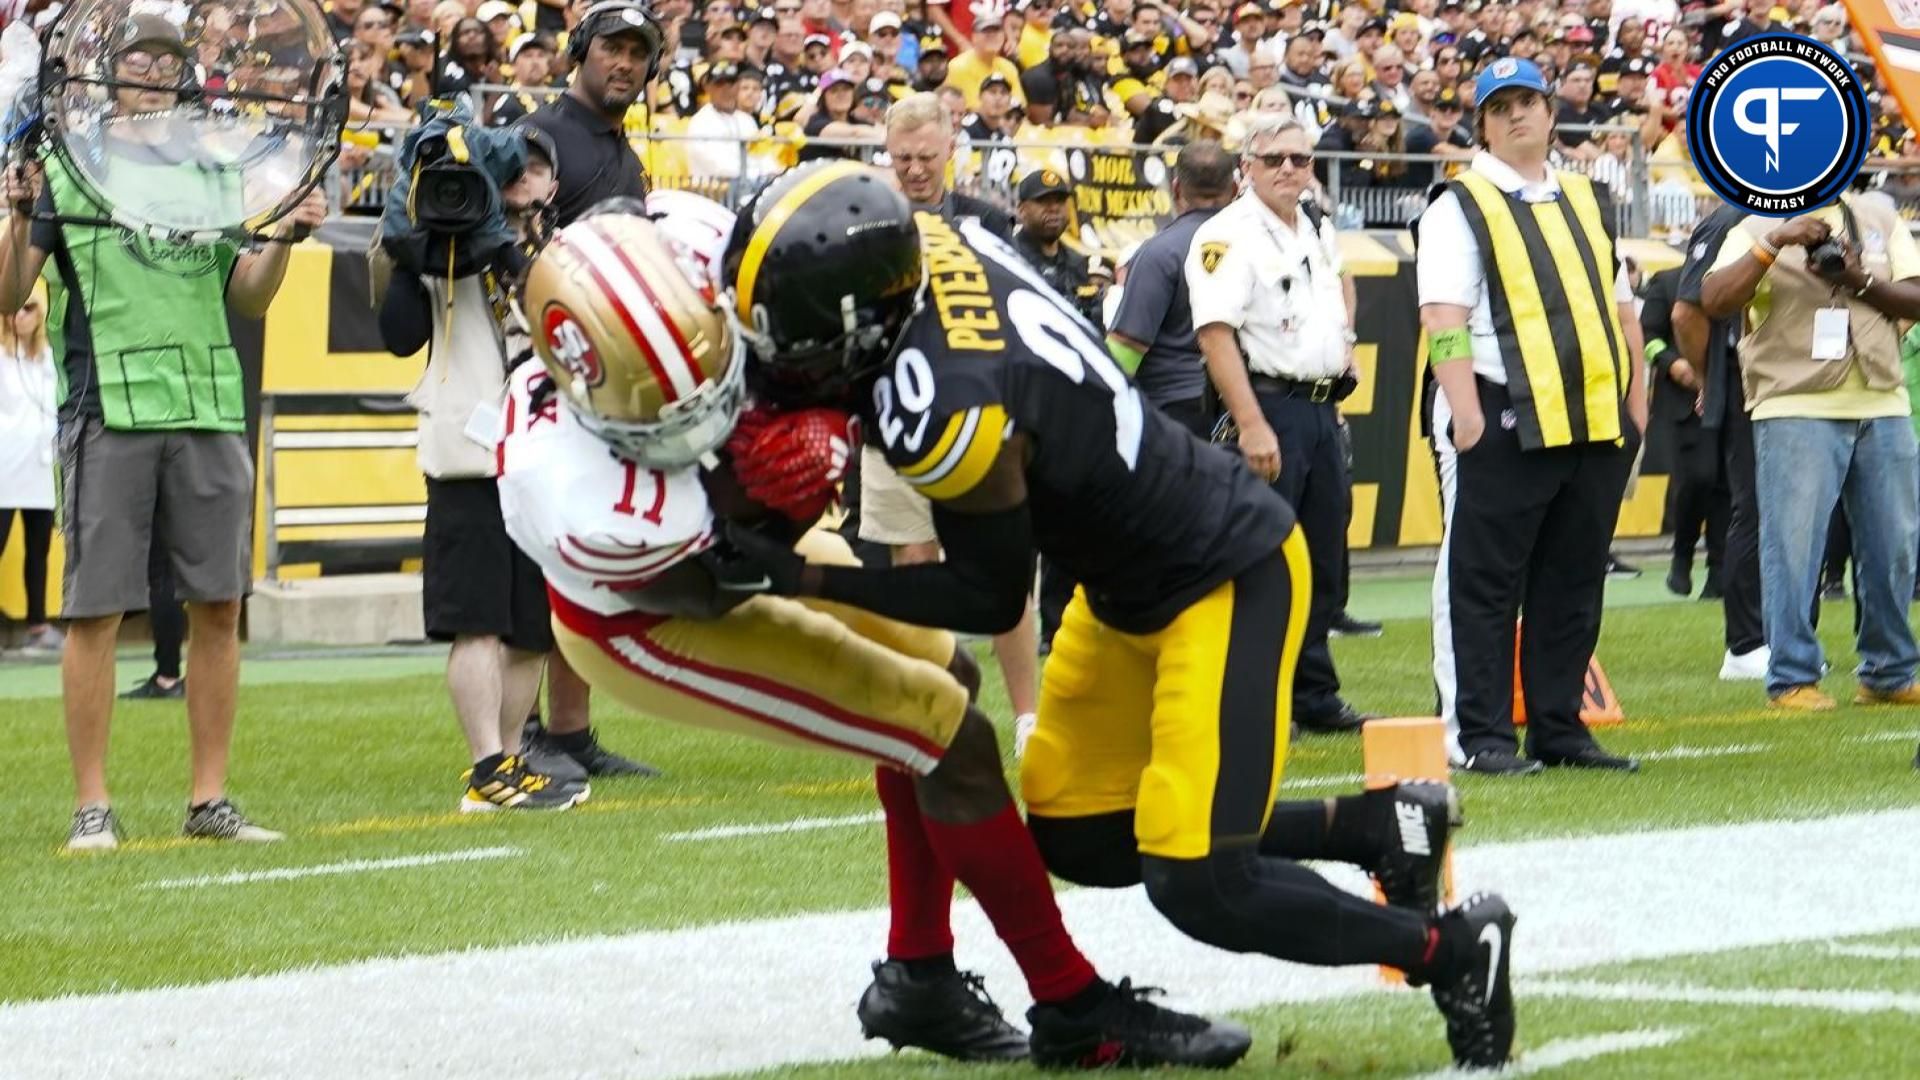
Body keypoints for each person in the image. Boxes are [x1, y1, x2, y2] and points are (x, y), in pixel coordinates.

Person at [719, 160, 1518, 1072]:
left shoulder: (949, 404)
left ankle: (1455, 950)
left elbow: (985, 595)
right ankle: (1378, 828)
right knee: (1082, 832)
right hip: (1125, 579)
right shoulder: (929, 241)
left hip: (1224, 570)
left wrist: (807, 582)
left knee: (1202, 885)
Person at [502, 202, 1242, 1067]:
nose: (712, 419)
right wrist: (787, 484)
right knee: (946, 734)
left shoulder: (697, 244)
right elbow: (716, 586)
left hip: (725, 537)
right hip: (654, 613)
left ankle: (919, 976)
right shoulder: (582, 500)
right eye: (675, 426)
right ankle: (1072, 1002)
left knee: (951, 675)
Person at [0, 13, 328, 849]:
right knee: (96, 613)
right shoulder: (68, 167)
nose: (151, 69)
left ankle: (209, 800)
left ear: (183, 74)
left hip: (211, 403)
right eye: (137, 57)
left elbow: (247, 296)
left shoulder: (215, 176)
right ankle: (91, 805)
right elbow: (9, 296)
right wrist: (13, 216)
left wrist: (285, 236)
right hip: (108, 403)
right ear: (110, 71)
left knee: (219, 606)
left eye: (165, 58)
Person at [1417, 58, 1647, 776]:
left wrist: (1635, 405)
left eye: (1528, 102)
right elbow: (1442, 315)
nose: (1517, 116)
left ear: (1551, 114)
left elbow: (1622, 308)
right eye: (1500, 107)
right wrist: (1464, 412)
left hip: (1590, 417)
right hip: (1501, 409)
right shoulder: (1459, 203)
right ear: (1482, 124)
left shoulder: (1586, 196)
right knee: (1482, 582)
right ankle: (1478, 735)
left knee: (1572, 581)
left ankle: (1559, 726)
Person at [377, 125, 585, 811]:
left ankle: (511, 764)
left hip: (543, 457)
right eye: (510, 173)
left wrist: (517, 256)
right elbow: (400, 334)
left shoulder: (563, 250)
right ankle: (485, 763)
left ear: (551, 183)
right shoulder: (446, 244)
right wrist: (418, 247)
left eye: (531, 172)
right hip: (467, 457)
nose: (519, 184)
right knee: (477, 621)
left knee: (533, 627)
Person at [856, 92, 1037, 747]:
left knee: (1004, 570)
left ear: (950, 149)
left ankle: (1026, 716)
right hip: (896, 418)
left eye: (926, 156)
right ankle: (934, 711)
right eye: (902, 157)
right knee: (913, 564)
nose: (914, 169)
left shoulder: (990, 224)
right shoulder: (868, 222)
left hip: (983, 419)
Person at [1698, 191, 1920, 711]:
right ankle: (1792, 674)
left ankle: (1890, 671)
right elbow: (1714, 300)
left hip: (1883, 397)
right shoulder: (1752, 223)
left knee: (1896, 545)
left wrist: (1856, 278)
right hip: (1793, 398)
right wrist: (1774, 242)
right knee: (1793, 548)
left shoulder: (1879, 215)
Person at [1189, 114, 1371, 735]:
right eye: (1274, 160)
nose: (1289, 169)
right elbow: (1215, 335)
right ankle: (1254, 697)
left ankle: (1312, 693)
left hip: (1319, 408)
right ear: (1245, 169)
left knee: (1321, 559)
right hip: (1271, 407)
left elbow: (1334, 299)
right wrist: (1250, 423)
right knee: (1263, 559)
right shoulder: (1228, 234)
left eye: (1300, 158)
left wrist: (1345, 344)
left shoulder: (1313, 225)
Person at [1672, 204, 1767, 681]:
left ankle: (1786, 635)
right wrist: (1710, 379)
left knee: (1792, 513)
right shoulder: (1728, 218)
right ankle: (1746, 643)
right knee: (1753, 507)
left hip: (1800, 380)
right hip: (1748, 377)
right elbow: (1687, 311)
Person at [526, 0, 658, 226]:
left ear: (651, 69)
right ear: (580, 51)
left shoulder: (632, 163)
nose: (625, 64)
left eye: (638, 54)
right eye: (612, 48)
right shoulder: (535, 136)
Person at [1640, 265, 1727, 600]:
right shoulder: (1665, 281)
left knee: (1726, 486)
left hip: (1727, 395)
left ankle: (1719, 572)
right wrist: (1673, 364)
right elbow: (1648, 337)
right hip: (1682, 404)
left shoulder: (1728, 277)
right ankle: (1682, 554)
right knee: (1698, 477)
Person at [0, 277, 57, 654]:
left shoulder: (51, 358)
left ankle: (38, 624)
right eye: (16, 309)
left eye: (30, 308)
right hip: (4, 466)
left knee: (39, 550)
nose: (22, 316)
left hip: (40, 468)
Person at [1009, 169, 1097, 325]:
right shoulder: (1009, 258)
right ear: (1022, 210)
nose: (1054, 208)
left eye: (1060, 201)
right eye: (1043, 201)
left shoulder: (1077, 262)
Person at [686, 62, 764, 179]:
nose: (727, 90)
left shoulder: (747, 120)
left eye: (731, 84)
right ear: (709, 88)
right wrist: (758, 172)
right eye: (720, 84)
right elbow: (719, 168)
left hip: (749, 186)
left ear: (738, 87)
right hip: (711, 191)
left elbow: (762, 158)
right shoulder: (700, 122)